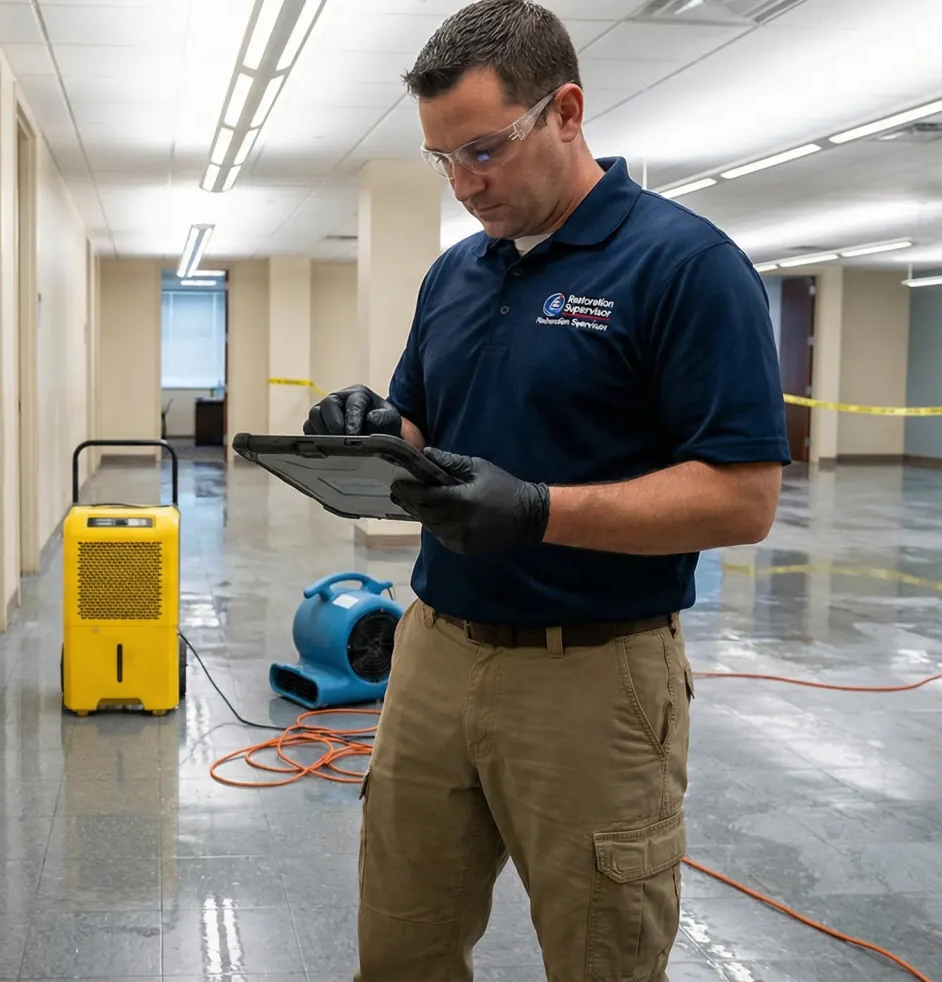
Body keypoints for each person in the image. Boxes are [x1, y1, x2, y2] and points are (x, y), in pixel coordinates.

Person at [303, 2, 790, 980]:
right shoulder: (457, 273)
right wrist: (369, 430)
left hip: (594, 678)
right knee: (402, 942)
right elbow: (420, 426)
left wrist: (539, 510)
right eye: (444, 158)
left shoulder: (685, 267)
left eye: (484, 149)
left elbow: (744, 498)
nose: (464, 181)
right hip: (435, 653)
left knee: (600, 953)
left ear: (566, 111)